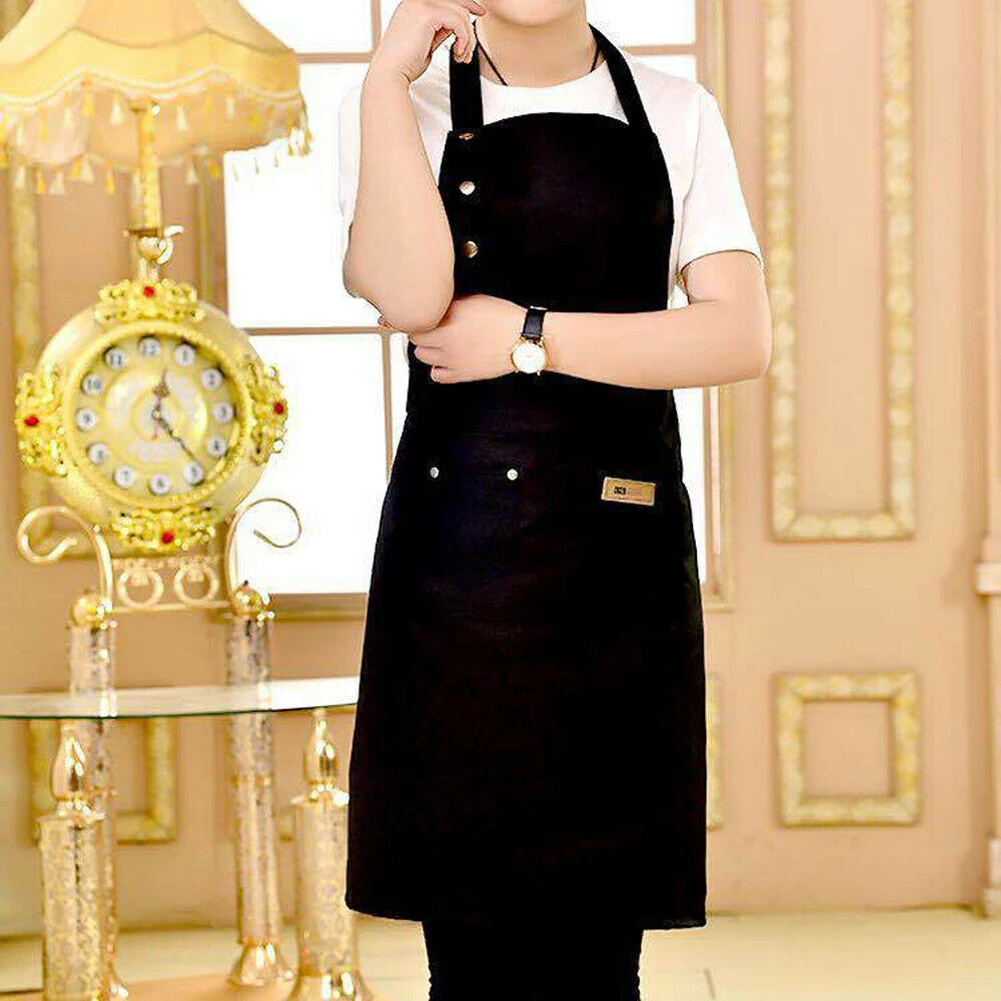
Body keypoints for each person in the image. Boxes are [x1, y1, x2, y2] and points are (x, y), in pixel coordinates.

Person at [336, 2, 772, 998]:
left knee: (600, 943)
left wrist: (527, 336)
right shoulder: (396, 109)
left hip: (617, 569)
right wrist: (381, 82)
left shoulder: (674, 109)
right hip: (457, 568)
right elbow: (408, 296)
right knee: (467, 941)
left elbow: (736, 336)